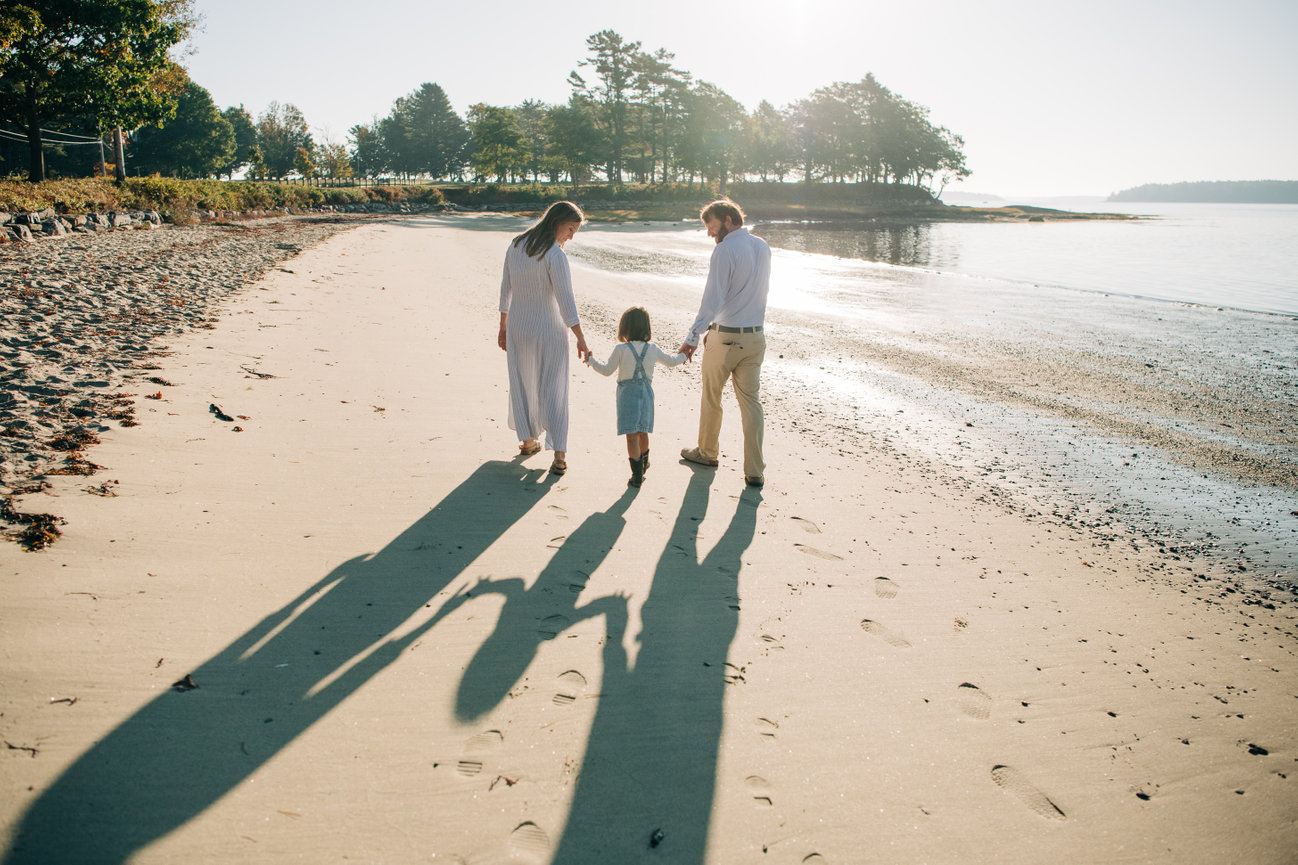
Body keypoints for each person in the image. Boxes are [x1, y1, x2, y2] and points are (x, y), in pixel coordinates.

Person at [678, 199, 771, 487]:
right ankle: (754, 470)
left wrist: (692, 336)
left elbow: (713, 298)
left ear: (728, 219)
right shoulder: (762, 247)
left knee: (712, 397)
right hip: (755, 336)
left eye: (711, 226)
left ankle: (707, 453)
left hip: (725, 336)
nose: (709, 233)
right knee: (751, 403)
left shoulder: (725, 250)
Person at [498, 200, 590, 475]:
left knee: (522, 382)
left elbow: (505, 289)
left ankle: (528, 441)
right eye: (570, 229)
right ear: (557, 222)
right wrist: (581, 337)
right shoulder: (554, 254)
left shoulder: (516, 245)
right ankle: (559, 456)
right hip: (549, 329)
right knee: (554, 388)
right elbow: (566, 301)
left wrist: (503, 326)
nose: (571, 236)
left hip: (518, 327)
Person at [586, 306, 687, 487]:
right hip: (647, 395)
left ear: (625, 328)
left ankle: (637, 474)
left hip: (627, 396)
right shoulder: (652, 349)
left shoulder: (621, 349)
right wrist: (685, 354)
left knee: (631, 436)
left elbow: (606, 370)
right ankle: (644, 463)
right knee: (643, 431)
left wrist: (591, 360)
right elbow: (671, 362)